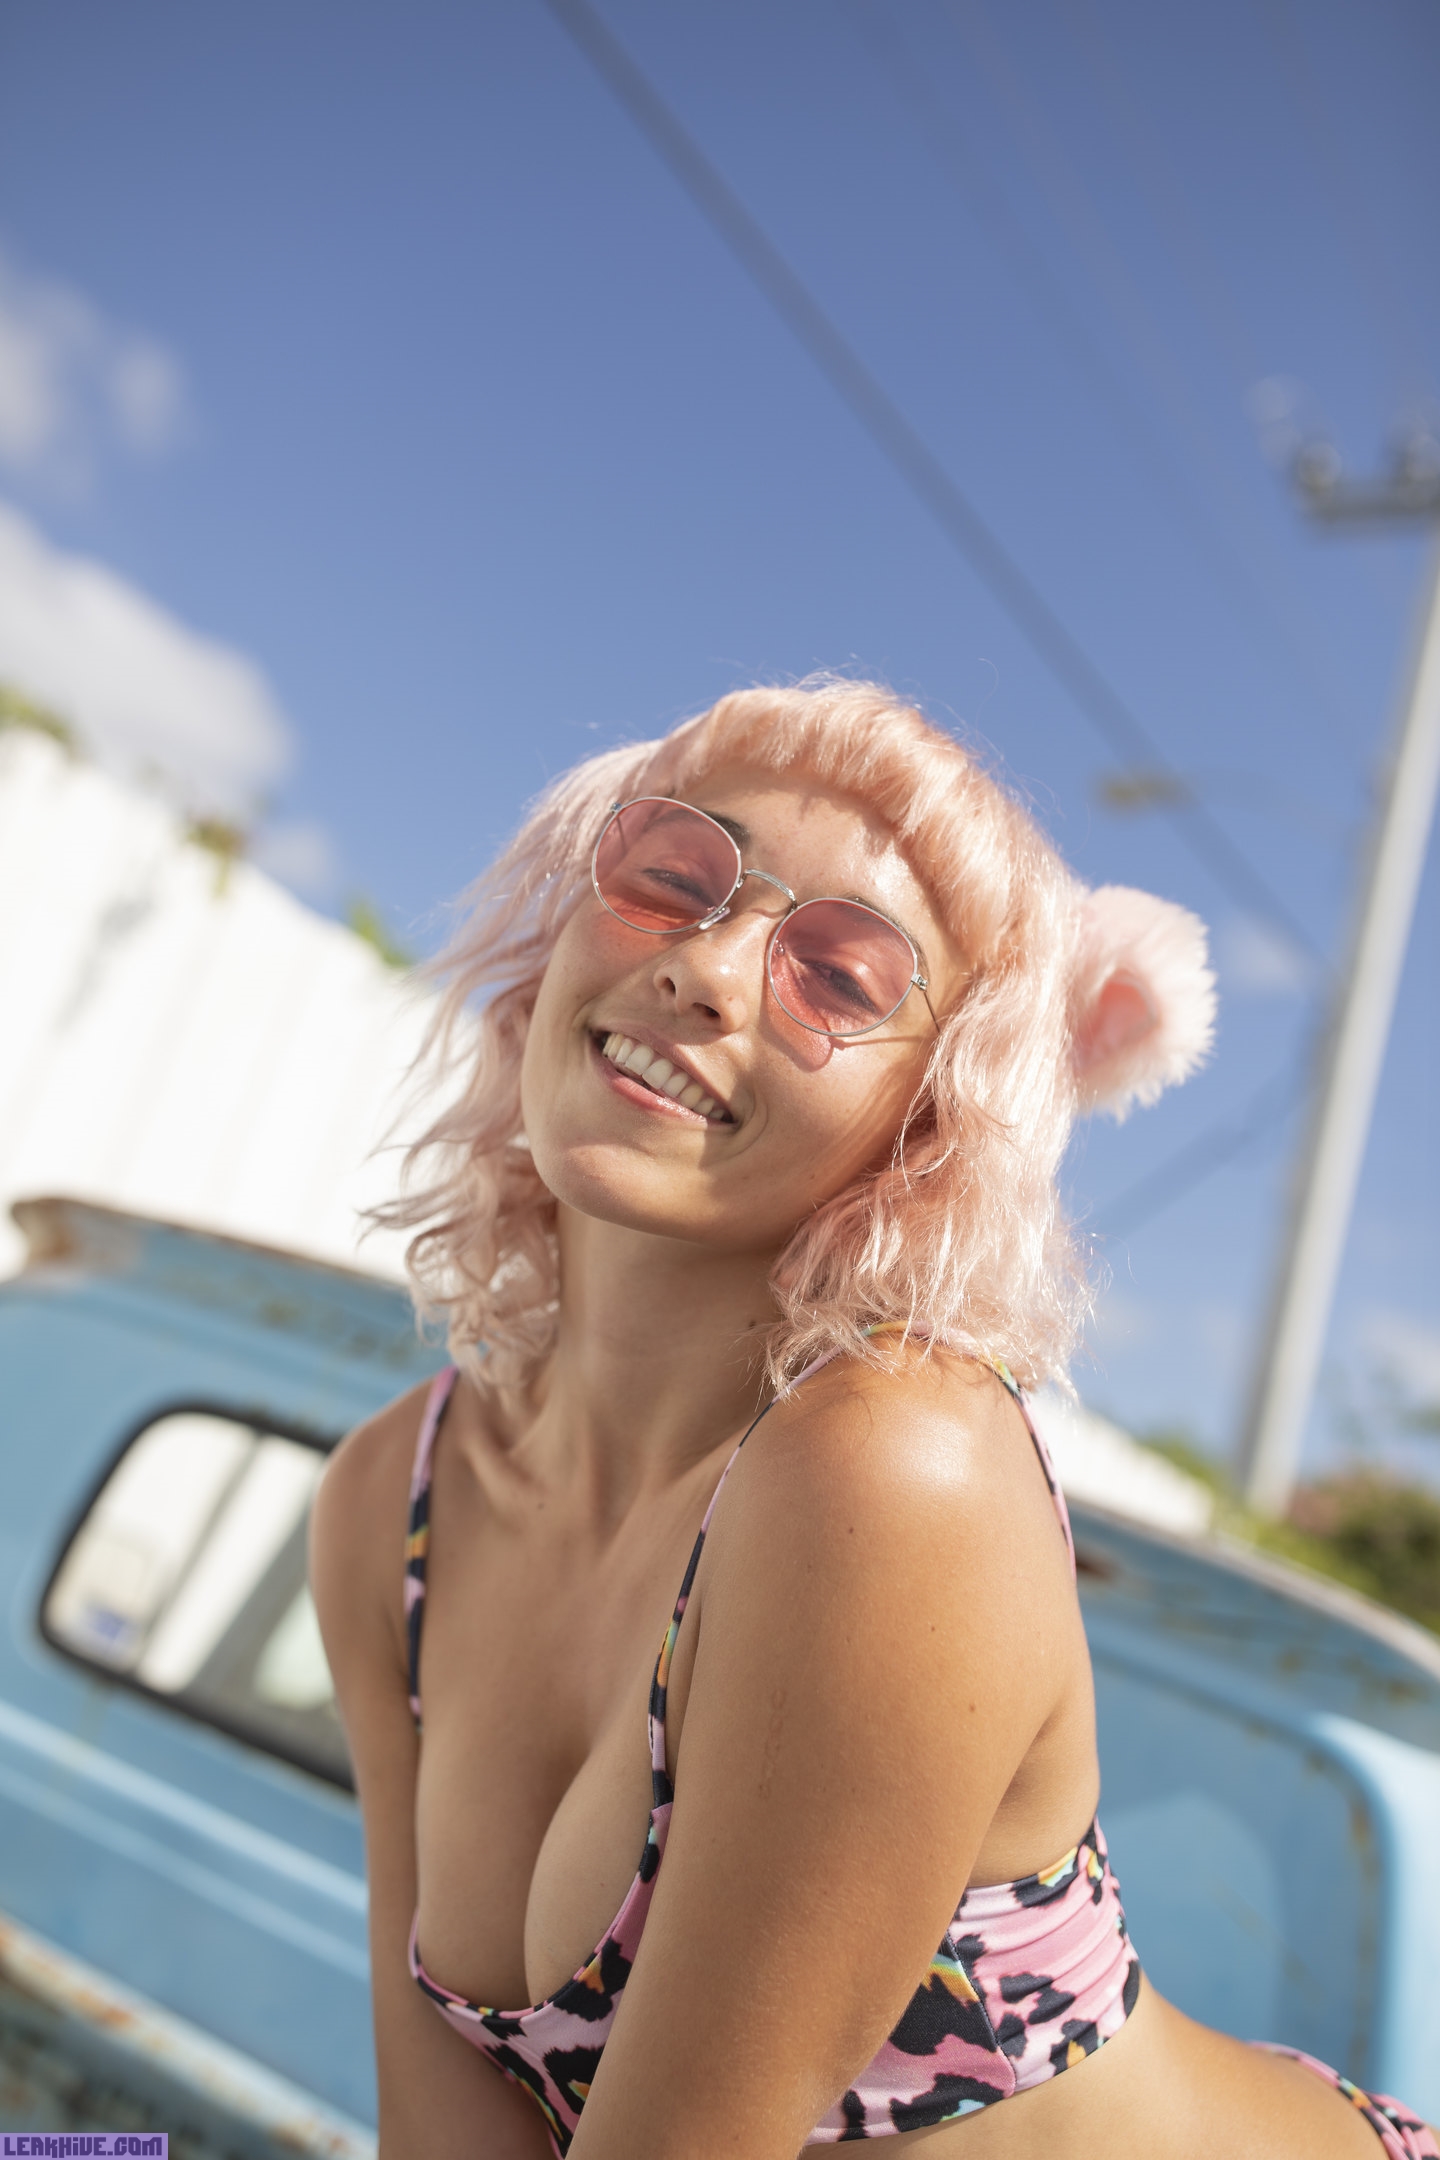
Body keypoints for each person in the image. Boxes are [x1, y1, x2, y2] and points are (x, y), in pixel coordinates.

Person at [311, 681, 1438, 2160]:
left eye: (840, 977)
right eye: (673, 876)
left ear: (931, 1122)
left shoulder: (895, 1474)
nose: (707, 968)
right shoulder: (390, 1498)